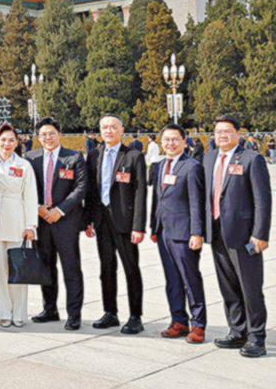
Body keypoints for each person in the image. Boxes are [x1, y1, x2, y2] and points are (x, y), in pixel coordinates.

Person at [204, 114, 271, 358]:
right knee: (228, 286)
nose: (222, 135)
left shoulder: (252, 159)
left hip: (245, 237)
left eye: (227, 131)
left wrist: (260, 234)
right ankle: (237, 330)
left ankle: (256, 337)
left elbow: (263, 200)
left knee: (250, 287)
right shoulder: (209, 158)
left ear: (238, 134)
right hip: (217, 233)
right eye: (218, 131)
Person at [85, 113, 147, 335]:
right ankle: (110, 312)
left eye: (113, 127)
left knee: (131, 269)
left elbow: (141, 193)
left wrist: (138, 226)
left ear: (122, 130)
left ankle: (135, 316)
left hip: (125, 223)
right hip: (101, 222)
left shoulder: (133, 156)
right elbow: (90, 191)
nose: (108, 131)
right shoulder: (93, 155)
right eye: (104, 127)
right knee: (106, 269)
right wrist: (88, 220)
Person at [25, 117, 89, 330]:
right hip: (41, 221)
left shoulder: (74, 157)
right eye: (43, 134)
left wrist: (60, 210)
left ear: (60, 134)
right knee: (46, 267)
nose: (48, 137)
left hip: (66, 222)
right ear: (38, 137)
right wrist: (39, 208)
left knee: (71, 268)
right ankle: (49, 309)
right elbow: (25, 188)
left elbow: (80, 188)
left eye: (52, 133)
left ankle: (74, 315)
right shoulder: (30, 158)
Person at [150, 123, 207, 343]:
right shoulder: (160, 165)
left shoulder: (191, 166)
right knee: (172, 280)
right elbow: (157, 199)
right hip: (164, 232)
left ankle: (198, 325)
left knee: (190, 279)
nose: (170, 143)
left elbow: (196, 202)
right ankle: (178, 321)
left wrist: (196, 232)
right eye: (166, 140)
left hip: (184, 233)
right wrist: (154, 227)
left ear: (185, 141)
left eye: (175, 139)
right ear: (161, 142)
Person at [0, 124, 38, 328]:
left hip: (17, 219)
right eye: (3, 140)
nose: (6, 144)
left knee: (18, 268)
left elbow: (31, 196)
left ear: (18, 142)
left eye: (11, 140)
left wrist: (30, 225)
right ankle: (3, 312)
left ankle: (19, 313)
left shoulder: (24, 165)